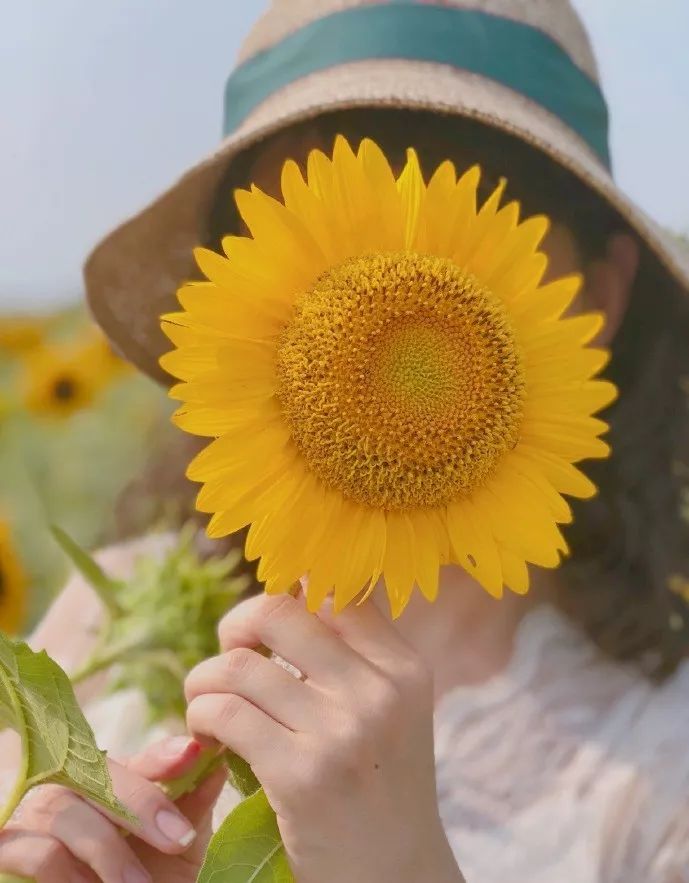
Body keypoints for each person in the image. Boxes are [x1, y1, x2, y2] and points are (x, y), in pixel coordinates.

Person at [2, 1, 689, 880]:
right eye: (327, 220)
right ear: (246, 267)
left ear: (595, 299)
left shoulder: (658, 773)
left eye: (456, 212)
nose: (377, 257)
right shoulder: (117, 620)